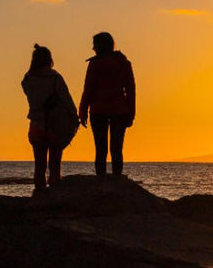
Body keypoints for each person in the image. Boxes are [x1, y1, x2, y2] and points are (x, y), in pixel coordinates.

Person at [21, 44, 79, 196]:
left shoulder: (28, 79)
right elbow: (68, 101)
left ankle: (39, 192)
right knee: (55, 162)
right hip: (54, 126)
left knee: (39, 164)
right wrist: (74, 117)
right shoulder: (56, 78)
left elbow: (26, 87)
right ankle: (54, 192)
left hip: (36, 125)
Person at [78, 32, 136, 176]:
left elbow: (88, 89)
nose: (93, 48)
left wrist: (82, 111)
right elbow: (131, 90)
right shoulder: (123, 63)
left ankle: (101, 179)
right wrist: (131, 112)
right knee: (116, 149)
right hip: (119, 111)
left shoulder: (96, 63)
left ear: (101, 46)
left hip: (99, 111)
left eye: (95, 44)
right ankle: (116, 178)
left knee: (101, 149)